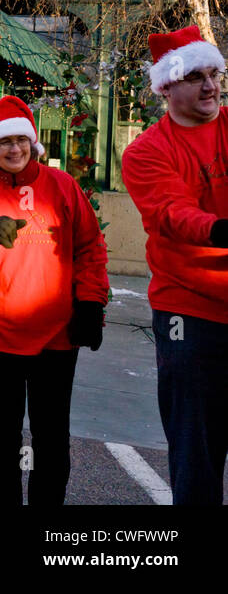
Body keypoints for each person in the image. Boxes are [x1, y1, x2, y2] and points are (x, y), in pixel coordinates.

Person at [0, 95, 108, 506]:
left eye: (21, 139)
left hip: (56, 333)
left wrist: (91, 304)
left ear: (34, 143)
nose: (14, 149)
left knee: (51, 434)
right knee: (1, 432)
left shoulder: (62, 185)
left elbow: (91, 247)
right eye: (4, 143)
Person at [121, 25, 228, 505]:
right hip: (189, 310)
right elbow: (170, 212)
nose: (211, 86)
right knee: (196, 449)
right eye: (196, 77)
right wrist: (219, 229)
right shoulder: (146, 151)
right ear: (166, 87)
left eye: (215, 74)